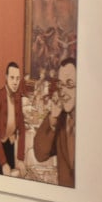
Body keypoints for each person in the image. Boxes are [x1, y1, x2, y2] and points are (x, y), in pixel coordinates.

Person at [34, 57, 77, 187]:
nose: (62, 92)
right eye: (61, 85)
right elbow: (40, 154)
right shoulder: (60, 118)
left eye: (69, 84)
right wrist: (52, 118)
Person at [0, 62, 28, 177]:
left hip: (10, 146)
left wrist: (20, 158)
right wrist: (3, 162)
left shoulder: (18, 98)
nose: (15, 82)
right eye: (12, 78)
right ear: (6, 77)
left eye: (18, 78)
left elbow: (22, 129)